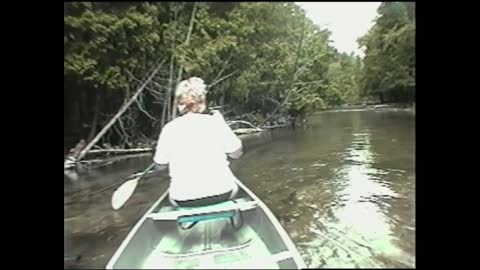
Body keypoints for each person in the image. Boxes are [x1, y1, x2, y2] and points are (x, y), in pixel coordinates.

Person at [153, 77, 243, 207]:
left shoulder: (169, 129)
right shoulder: (216, 122)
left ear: (179, 104)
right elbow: (236, 153)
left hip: (182, 200)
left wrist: (160, 164)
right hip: (223, 193)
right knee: (231, 185)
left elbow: (160, 166)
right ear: (202, 102)